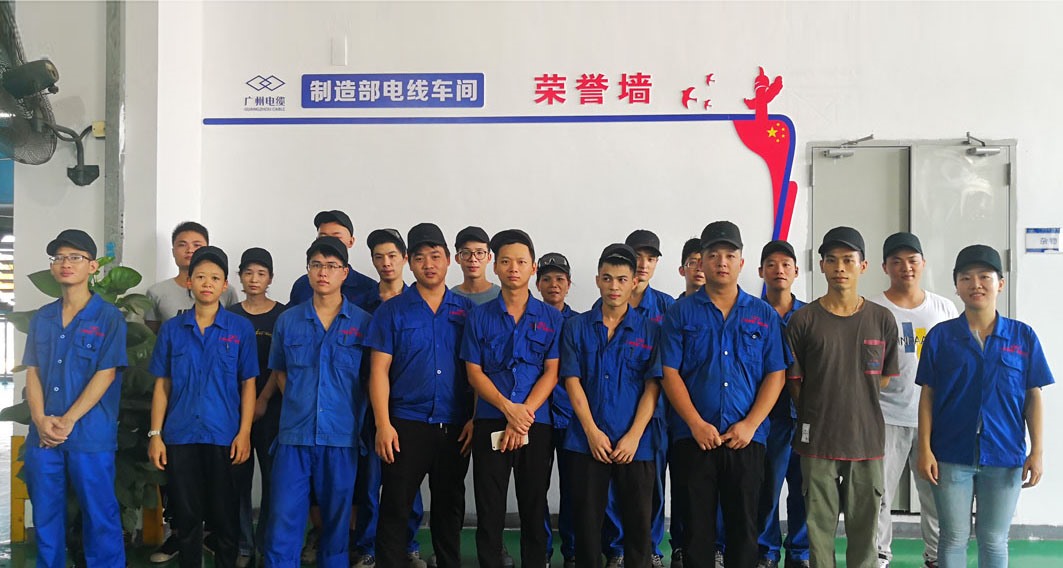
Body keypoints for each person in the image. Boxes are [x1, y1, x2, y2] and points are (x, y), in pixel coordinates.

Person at [916, 245, 1053, 568]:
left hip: (1004, 454)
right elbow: (927, 397)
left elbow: (1033, 396)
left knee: (993, 539)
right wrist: (924, 449)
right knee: (953, 537)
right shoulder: (941, 337)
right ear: (956, 286)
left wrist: (1037, 451)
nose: (975, 284)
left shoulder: (1022, 337)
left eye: (984, 277)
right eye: (966, 278)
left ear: (1000, 284)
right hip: (951, 454)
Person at [660, 221, 786, 568]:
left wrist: (750, 424)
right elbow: (669, 372)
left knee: (744, 530)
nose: (722, 262)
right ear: (701, 262)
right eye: (713, 255)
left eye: (730, 255)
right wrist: (695, 423)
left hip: (746, 440)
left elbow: (776, 374)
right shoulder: (680, 313)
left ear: (741, 263)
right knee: (696, 530)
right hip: (693, 439)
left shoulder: (762, 314)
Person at [785, 226, 900, 568]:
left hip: (866, 441)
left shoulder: (881, 319)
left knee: (865, 532)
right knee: (818, 530)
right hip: (817, 442)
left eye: (848, 260)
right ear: (821, 265)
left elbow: (885, 378)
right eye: (832, 260)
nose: (840, 268)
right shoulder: (803, 321)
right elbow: (794, 382)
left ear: (863, 266)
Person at [368, 223, 476, 568]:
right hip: (405, 425)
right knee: (395, 507)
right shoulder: (391, 311)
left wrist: (474, 418)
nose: (428, 264)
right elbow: (378, 371)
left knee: (449, 508)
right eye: (419, 258)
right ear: (409, 263)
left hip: (455, 426)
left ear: (449, 260)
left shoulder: (467, 312)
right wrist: (383, 424)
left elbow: (478, 371)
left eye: (435, 256)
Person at [23, 229, 128, 568]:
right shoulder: (43, 318)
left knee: (100, 515)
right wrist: (40, 420)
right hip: (44, 435)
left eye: (75, 257)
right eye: (58, 258)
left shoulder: (108, 317)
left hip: (90, 435)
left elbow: (106, 373)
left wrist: (68, 420)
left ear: (92, 266)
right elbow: (33, 372)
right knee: (45, 515)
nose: (65, 263)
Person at [264, 237, 373, 568]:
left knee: (337, 525)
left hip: (341, 438)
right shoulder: (288, 321)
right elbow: (280, 372)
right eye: (316, 265)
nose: (323, 272)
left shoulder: (363, 323)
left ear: (345, 273)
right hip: (294, 438)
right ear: (308, 271)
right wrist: (301, 403)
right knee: (283, 520)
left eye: (331, 266)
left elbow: (370, 380)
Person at [148, 246, 259, 568]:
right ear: (189, 282)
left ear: (225, 285)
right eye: (200, 277)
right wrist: (156, 434)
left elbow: (248, 384)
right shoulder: (172, 330)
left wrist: (244, 433)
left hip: (224, 435)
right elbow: (162, 386)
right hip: (180, 435)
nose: (207, 283)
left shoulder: (240, 329)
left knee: (225, 519)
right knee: (186, 519)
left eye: (214, 278)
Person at [462, 229, 562, 568]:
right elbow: (474, 372)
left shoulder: (551, 318)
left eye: (521, 262)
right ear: (495, 266)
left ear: (533, 267)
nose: (513, 268)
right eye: (505, 261)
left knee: (534, 504)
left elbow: (552, 371)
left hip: (536, 423)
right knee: (489, 504)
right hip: (491, 418)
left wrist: (524, 415)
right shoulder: (479, 316)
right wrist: (509, 410)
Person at [562, 243, 662, 568]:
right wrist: (591, 432)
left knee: (638, 528)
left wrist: (633, 436)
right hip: (586, 442)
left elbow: (653, 387)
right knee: (587, 527)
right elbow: (572, 381)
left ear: (634, 282)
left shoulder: (651, 331)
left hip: (636, 446)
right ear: (597, 281)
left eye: (621, 279)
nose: (614, 286)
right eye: (607, 278)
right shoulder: (576, 327)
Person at [871, 233, 957, 568]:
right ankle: (879, 556)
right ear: (884, 267)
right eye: (896, 261)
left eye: (912, 260)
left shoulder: (943, 308)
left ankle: (936, 556)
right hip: (884, 417)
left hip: (935, 420)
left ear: (923, 264)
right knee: (878, 494)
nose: (905, 267)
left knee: (936, 495)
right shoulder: (873, 308)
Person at [352, 228, 427, 568]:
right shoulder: (362, 305)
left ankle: (409, 544)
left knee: (408, 483)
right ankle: (368, 547)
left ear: (405, 259)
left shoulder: (419, 302)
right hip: (371, 406)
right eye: (378, 257)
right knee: (370, 481)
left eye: (392, 256)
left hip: (411, 407)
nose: (386, 263)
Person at [227, 247, 287, 567]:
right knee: (237, 481)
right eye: (248, 273)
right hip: (234, 412)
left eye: (261, 273)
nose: (254, 279)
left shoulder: (283, 316)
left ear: (270, 278)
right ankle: (243, 546)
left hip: (272, 410)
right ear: (240, 276)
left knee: (274, 482)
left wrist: (262, 399)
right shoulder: (230, 315)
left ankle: (265, 544)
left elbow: (282, 365)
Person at [754, 240, 809, 568]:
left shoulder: (811, 315)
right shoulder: (752, 314)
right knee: (768, 487)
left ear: (796, 271)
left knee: (804, 488)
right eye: (771, 265)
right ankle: (767, 551)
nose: (779, 270)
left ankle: (800, 552)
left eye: (786, 265)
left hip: (805, 416)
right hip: (767, 417)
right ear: (761, 271)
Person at [536, 252, 580, 568]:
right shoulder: (528, 319)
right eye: (547, 278)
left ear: (569, 284)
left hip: (571, 418)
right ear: (538, 284)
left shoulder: (580, 324)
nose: (554, 284)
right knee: (536, 488)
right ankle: (541, 551)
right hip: (536, 416)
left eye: (560, 279)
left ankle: (573, 551)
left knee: (574, 488)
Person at [145, 221, 240, 333]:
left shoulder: (227, 291)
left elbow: (234, 329)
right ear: (173, 251)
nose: (190, 250)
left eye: (197, 245)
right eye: (182, 245)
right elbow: (151, 336)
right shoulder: (156, 292)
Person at [287, 210, 377, 306]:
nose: (330, 242)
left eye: (337, 238)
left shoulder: (368, 288)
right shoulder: (302, 285)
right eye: (323, 237)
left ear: (351, 242)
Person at [451, 225, 501, 305]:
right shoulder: (450, 298)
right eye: (466, 253)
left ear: (489, 257)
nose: (473, 259)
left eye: (479, 253)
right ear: (457, 258)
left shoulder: (501, 296)